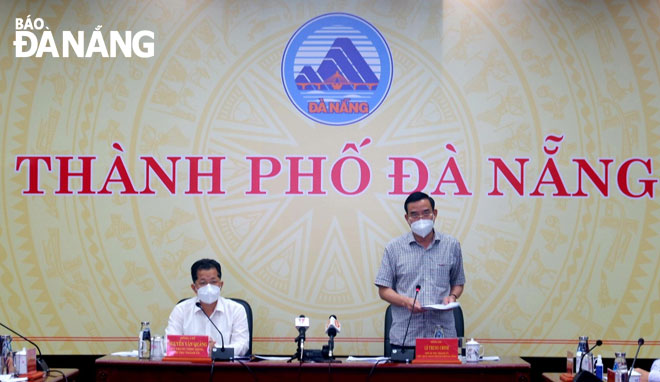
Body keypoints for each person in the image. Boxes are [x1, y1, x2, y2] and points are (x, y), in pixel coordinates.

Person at [375, 191, 465, 348]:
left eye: (426, 213)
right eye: (414, 215)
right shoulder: (394, 248)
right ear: (407, 218)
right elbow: (383, 290)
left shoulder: (451, 245)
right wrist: (405, 301)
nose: (421, 219)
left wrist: (452, 296)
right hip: (406, 337)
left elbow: (458, 282)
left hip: (442, 337)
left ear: (434, 213)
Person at [165, 258, 249, 356]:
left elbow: (242, 345)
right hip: (189, 368)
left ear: (221, 285)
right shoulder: (181, 310)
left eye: (213, 282)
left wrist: (215, 350)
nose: (209, 287)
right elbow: (170, 344)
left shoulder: (236, 309)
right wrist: (201, 349)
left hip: (225, 368)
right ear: (194, 288)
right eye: (203, 283)